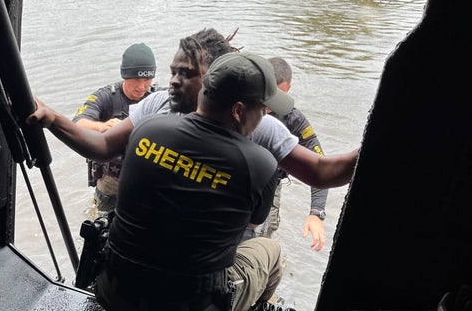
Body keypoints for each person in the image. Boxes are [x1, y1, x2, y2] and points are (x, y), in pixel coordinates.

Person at [27, 28, 359, 252]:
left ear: (218, 77)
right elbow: (101, 146)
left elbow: (321, 171)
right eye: (175, 72)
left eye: (187, 74)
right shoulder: (159, 107)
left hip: (205, 253)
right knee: (267, 251)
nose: (174, 82)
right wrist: (53, 119)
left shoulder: (261, 127)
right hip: (171, 258)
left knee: (262, 247)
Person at [95, 51, 292, 311]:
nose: (264, 118)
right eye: (264, 111)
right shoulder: (262, 164)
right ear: (238, 110)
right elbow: (251, 223)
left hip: (113, 290)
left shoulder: (147, 129)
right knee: (270, 250)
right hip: (196, 303)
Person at [72, 43, 161, 218]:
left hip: (146, 178)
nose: (142, 87)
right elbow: (77, 123)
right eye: (136, 79)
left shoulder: (158, 98)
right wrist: (102, 127)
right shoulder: (105, 97)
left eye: (147, 80)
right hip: (111, 181)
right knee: (102, 227)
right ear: (125, 76)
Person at [254, 57, 329, 241]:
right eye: (268, 95)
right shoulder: (240, 106)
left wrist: (316, 212)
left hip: (271, 184)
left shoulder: (294, 119)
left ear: (289, 90)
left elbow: (320, 164)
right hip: (238, 178)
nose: (270, 104)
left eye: (279, 96)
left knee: (266, 232)